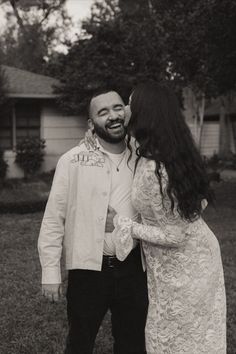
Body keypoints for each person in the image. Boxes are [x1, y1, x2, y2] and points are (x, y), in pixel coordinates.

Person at [110, 82, 226, 354]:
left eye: (129, 103)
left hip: (188, 264)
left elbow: (174, 236)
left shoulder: (155, 168)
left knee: (180, 337)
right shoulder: (165, 153)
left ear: (144, 112)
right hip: (180, 259)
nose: (125, 109)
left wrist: (126, 225)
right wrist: (92, 136)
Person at [38, 89, 148, 354]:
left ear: (127, 111)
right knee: (80, 342)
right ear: (91, 124)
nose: (113, 116)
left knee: (133, 344)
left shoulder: (145, 157)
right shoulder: (72, 160)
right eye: (103, 112)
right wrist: (50, 272)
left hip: (134, 269)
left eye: (118, 108)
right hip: (88, 271)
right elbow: (54, 219)